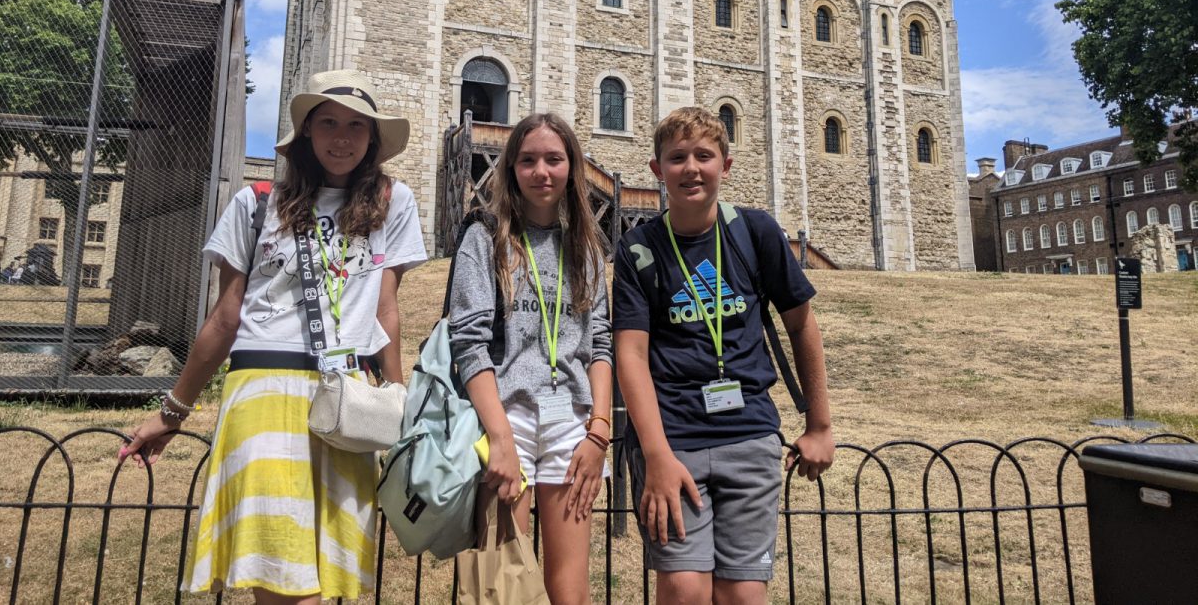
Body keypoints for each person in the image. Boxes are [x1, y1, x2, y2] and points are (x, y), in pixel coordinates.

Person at [119, 69, 427, 604]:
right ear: (306, 131)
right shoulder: (256, 201)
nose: (342, 138)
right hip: (263, 387)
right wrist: (172, 412)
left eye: (356, 125)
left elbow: (386, 311)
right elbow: (225, 318)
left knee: (326, 576)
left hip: (348, 397)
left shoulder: (392, 202)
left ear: (373, 137)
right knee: (283, 576)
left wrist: (397, 404)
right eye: (328, 123)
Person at [612, 106, 834, 605]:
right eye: (677, 158)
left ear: (726, 166)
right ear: (657, 170)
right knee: (684, 589)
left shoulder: (755, 232)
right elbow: (631, 356)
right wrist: (656, 456)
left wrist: (820, 425)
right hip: (674, 440)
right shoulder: (638, 249)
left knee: (743, 595)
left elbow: (801, 324)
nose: (691, 168)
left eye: (704, 156)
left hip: (749, 433)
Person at [449, 113, 612, 605]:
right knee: (505, 586)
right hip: (507, 417)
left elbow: (599, 343)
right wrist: (499, 439)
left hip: (571, 423)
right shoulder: (485, 238)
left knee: (571, 590)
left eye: (554, 159)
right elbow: (468, 342)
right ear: (511, 169)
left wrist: (600, 431)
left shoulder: (585, 246)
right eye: (528, 160)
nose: (541, 171)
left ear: (572, 167)